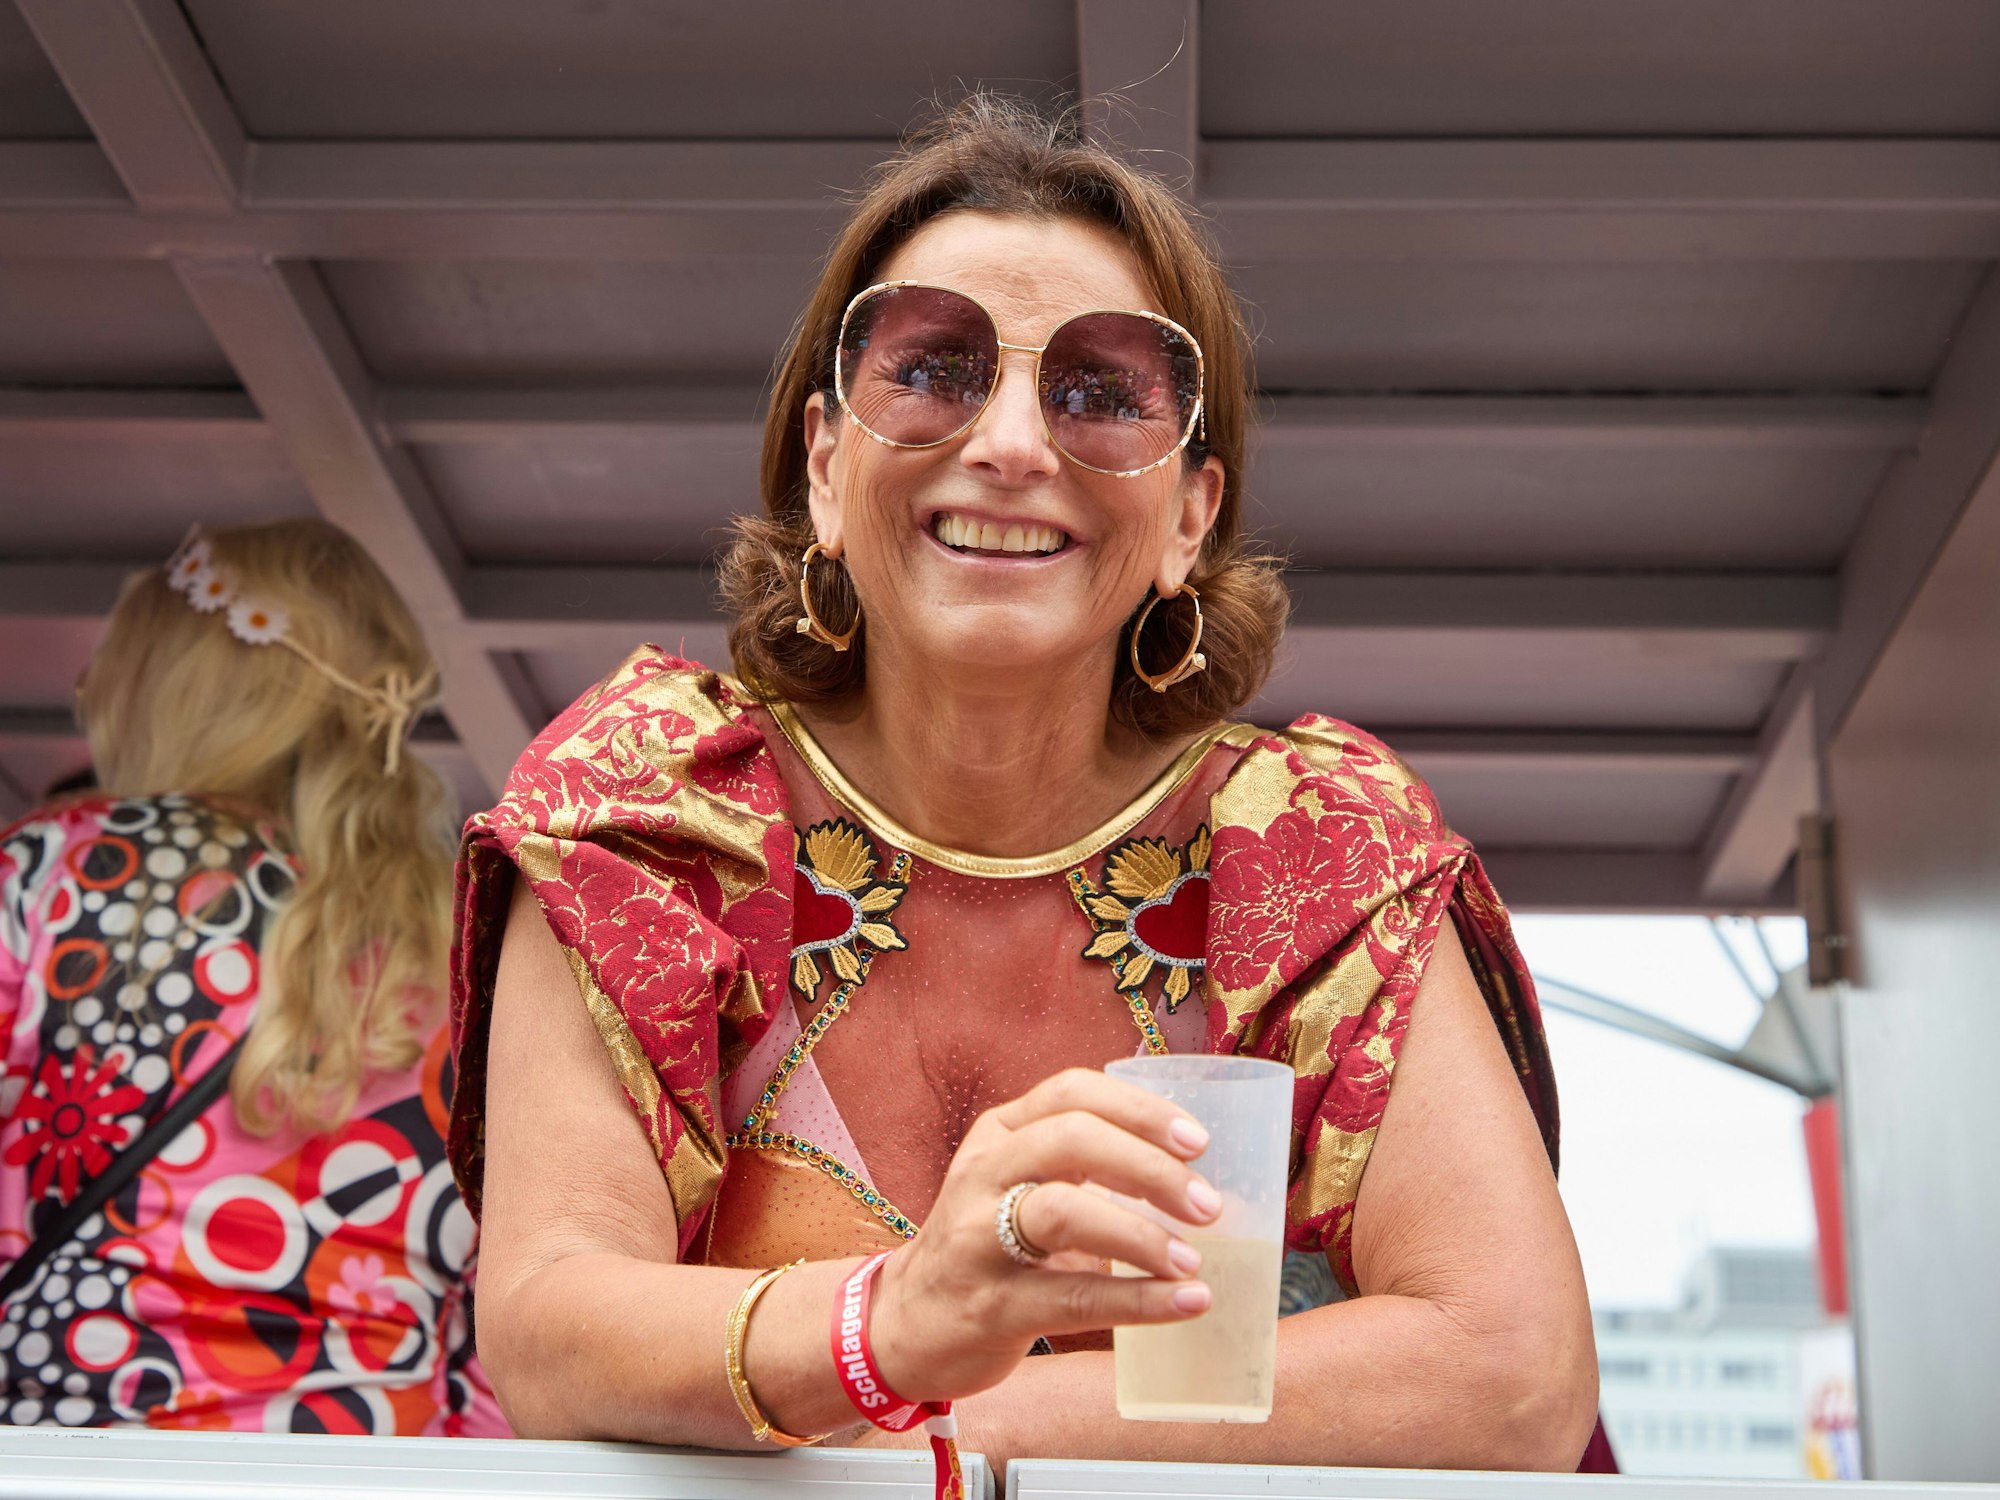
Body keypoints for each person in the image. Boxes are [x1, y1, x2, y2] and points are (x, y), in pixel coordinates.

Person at [451, 94, 1603, 1476]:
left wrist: (936, 1407)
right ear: (825, 466)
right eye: (933, 370)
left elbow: (1512, 1369)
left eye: (1103, 393)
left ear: (1189, 516)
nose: (1010, 443)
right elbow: (546, 1322)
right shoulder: (651, 809)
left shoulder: (1308, 854)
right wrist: (899, 1319)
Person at [0, 519, 504, 1436]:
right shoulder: (470, 955)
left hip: (72, 1455)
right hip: (381, 1471)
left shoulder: (56, 875)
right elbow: (501, 1330)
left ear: (175, 693)